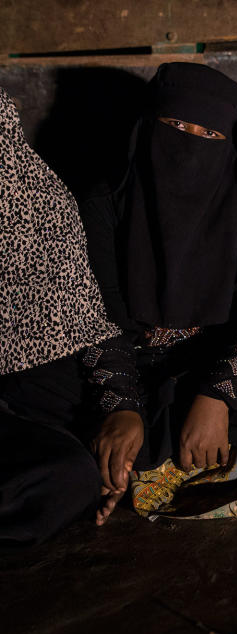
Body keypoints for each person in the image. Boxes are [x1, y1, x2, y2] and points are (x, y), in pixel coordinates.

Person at [78, 63, 237, 520]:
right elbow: (90, 316)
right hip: (135, 374)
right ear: (147, 126)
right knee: (53, 395)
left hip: (212, 369)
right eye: (177, 126)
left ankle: (137, 462)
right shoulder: (105, 202)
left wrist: (218, 395)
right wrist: (122, 407)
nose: (189, 145)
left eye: (209, 134)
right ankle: (145, 451)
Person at [0, 87, 122, 545]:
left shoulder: (40, 200)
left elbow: (88, 322)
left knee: (70, 477)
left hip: (25, 400)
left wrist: (109, 440)